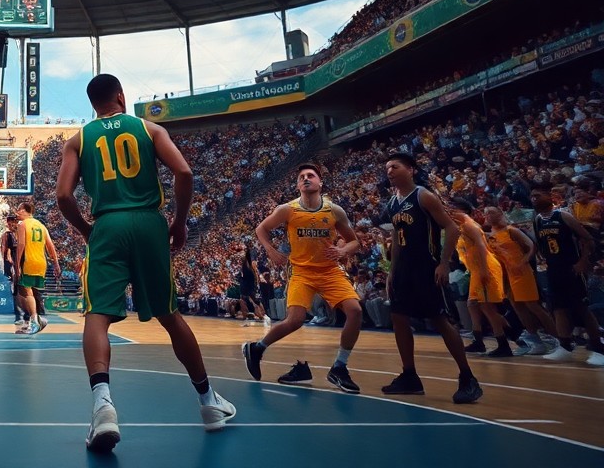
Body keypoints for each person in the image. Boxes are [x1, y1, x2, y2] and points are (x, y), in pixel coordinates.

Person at [56, 74, 235, 453]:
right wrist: (180, 222)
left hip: (108, 225)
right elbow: (184, 172)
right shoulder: (149, 128)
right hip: (150, 223)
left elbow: (63, 196)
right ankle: (208, 402)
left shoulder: (78, 140)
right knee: (170, 315)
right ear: (121, 97)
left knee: (97, 315)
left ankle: (103, 407)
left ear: (93, 104)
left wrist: (87, 230)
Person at [243, 162, 364, 393]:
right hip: (302, 272)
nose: (306, 178)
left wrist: (342, 251)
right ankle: (257, 348)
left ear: (320, 182)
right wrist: (270, 250)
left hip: (329, 271)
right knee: (295, 320)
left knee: (355, 311)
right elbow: (261, 229)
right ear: (298, 185)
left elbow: (354, 241)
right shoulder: (287, 209)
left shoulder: (334, 211)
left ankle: (339, 367)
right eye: (301, 177)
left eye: (311, 175)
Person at [381, 152, 482, 403]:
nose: (389, 171)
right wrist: (392, 271)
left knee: (439, 319)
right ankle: (410, 376)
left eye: (395, 166)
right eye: (387, 168)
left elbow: (451, 227)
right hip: (403, 270)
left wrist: (444, 263)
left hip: (427, 267)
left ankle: (468, 377)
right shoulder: (392, 202)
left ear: (411, 169)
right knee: (398, 318)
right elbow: (396, 238)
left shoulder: (423, 195)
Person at [530, 186, 604, 365]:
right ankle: (565, 346)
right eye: (532, 196)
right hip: (553, 269)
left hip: (572, 267)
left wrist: (583, 261)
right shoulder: (538, 220)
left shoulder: (563, 215)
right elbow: (539, 244)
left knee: (580, 307)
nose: (534, 198)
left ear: (549, 196)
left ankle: (598, 347)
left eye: (538, 195)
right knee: (558, 308)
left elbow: (587, 239)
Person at [482, 205, 557, 353]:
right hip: (506, 275)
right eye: (486, 214)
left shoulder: (511, 230)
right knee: (518, 308)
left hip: (521, 272)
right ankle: (536, 341)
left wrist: (523, 262)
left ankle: (559, 339)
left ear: (500, 213)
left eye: (491, 212)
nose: (488, 216)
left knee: (533, 306)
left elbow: (532, 246)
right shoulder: (489, 235)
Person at [447, 199, 512, 357]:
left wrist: (483, 270)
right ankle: (478, 341)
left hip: (485, 267)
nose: (450, 213)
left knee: (488, 308)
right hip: (476, 269)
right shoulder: (462, 227)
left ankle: (505, 343)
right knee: (472, 304)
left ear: (463, 211)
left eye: (453, 210)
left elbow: (482, 247)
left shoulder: (470, 225)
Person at [13, 200, 60, 334]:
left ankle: (35, 321)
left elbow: (21, 245)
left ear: (24, 210)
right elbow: (50, 246)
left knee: (27, 292)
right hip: (41, 262)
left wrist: (17, 264)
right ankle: (37, 319)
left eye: (19, 209)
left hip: (29, 261)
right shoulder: (41, 225)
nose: (17, 212)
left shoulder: (23, 224)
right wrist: (56, 263)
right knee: (26, 293)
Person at [1, 214, 30, 327]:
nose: (10, 225)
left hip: (24, 263)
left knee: (26, 289)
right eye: (9, 223)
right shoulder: (7, 235)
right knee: (16, 290)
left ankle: (28, 313)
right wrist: (10, 266)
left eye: (12, 222)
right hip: (14, 265)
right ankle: (19, 315)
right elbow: (6, 252)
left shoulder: (23, 233)